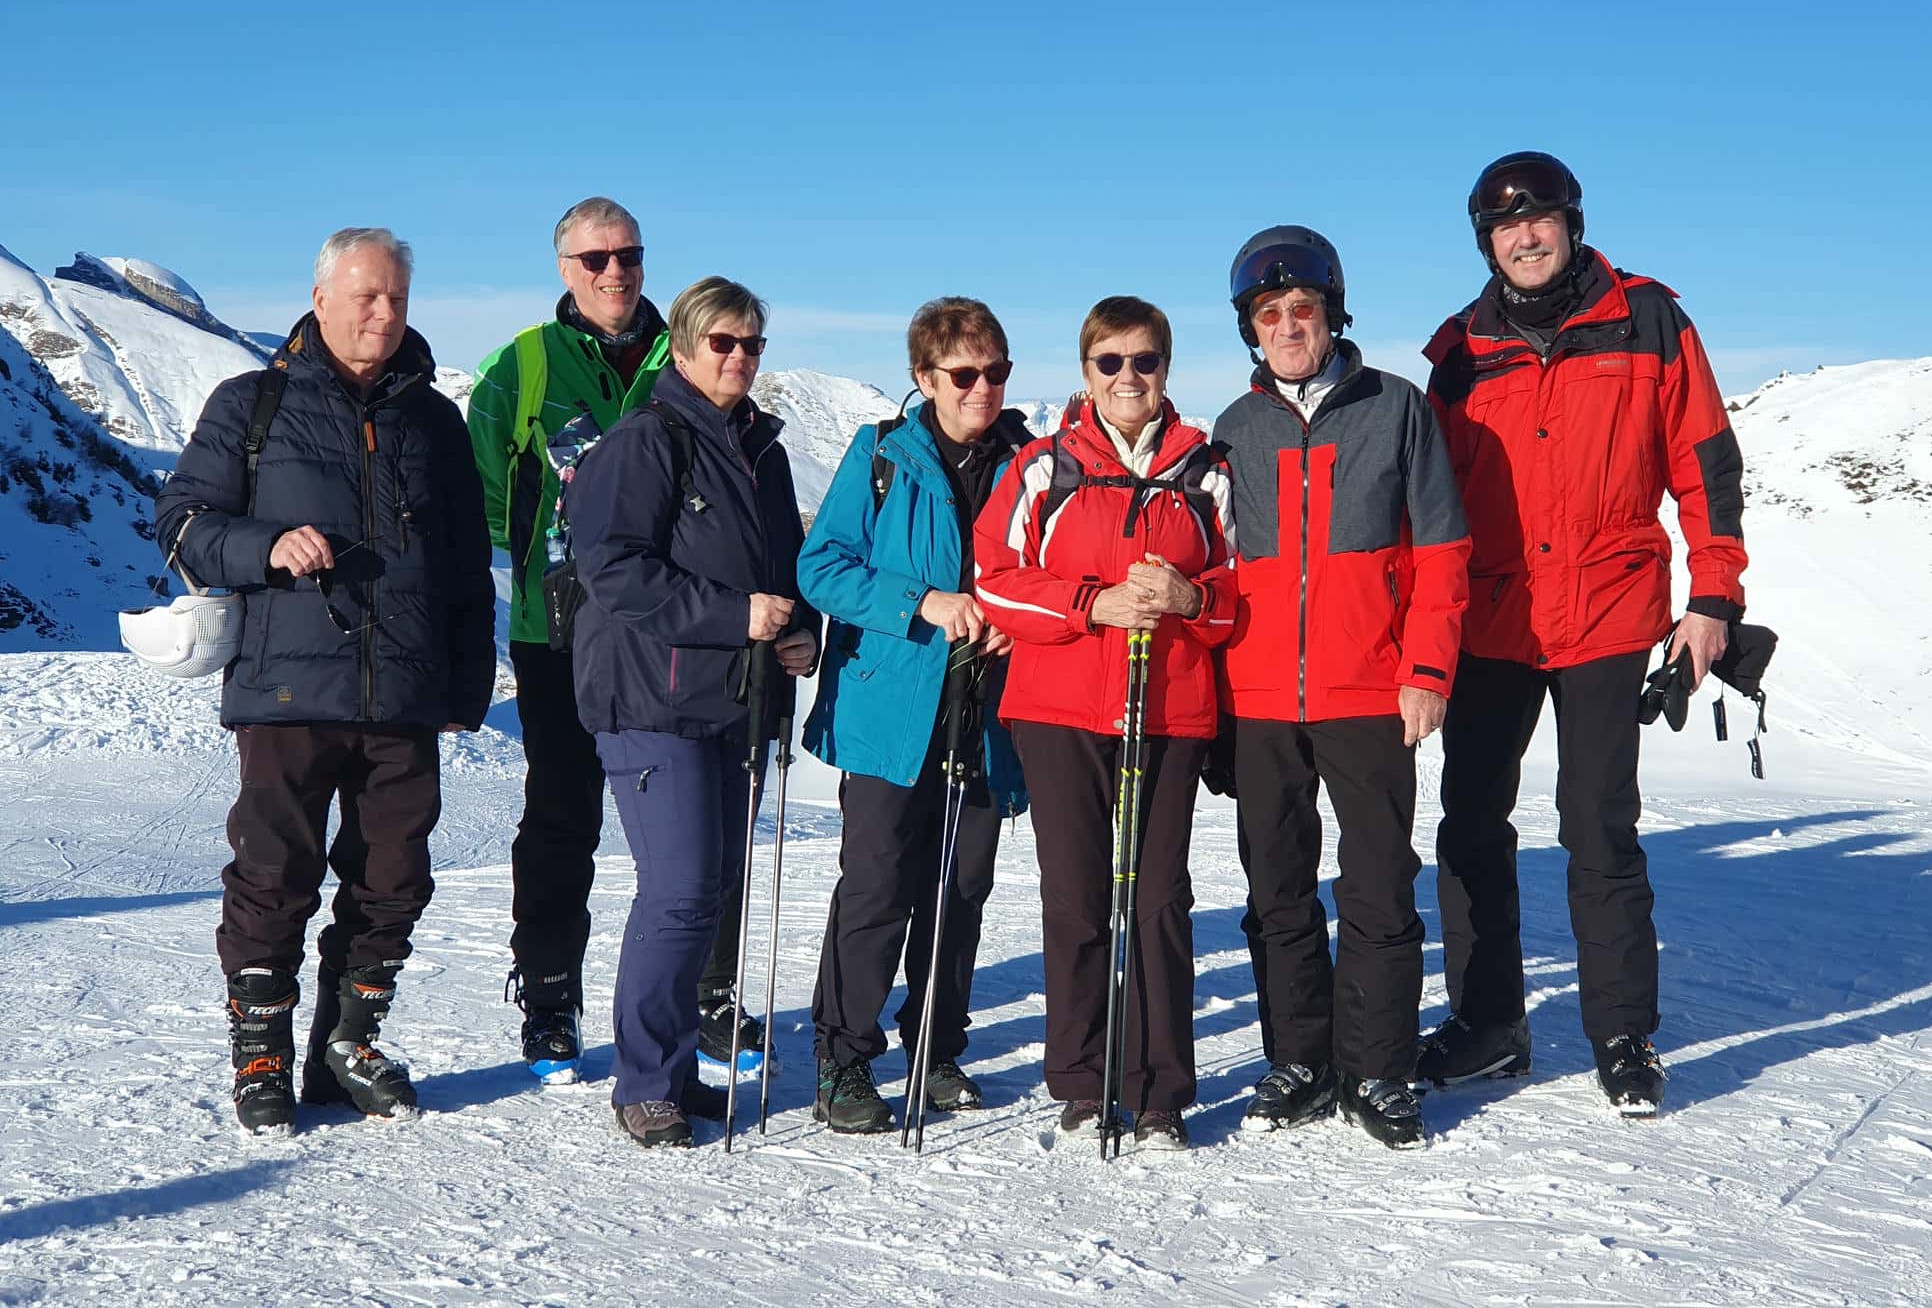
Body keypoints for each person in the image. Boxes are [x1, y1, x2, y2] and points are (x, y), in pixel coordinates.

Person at [1421, 152, 1749, 1114]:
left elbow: (1707, 462)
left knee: (1598, 827)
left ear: (1571, 221)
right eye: (1504, 228)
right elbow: (1426, 500)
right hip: (1493, 618)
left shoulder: (1647, 315)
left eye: (1541, 221)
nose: (1525, 239)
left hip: (1610, 609)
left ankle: (1622, 1034)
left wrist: (1714, 596)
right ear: (1486, 242)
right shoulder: (1459, 348)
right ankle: (1490, 1025)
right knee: (1471, 825)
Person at [156, 227, 495, 1135]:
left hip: (405, 695)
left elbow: (467, 565)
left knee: (395, 876)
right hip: (286, 692)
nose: (383, 313)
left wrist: (466, 688)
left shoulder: (435, 419)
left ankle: (349, 1041)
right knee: (275, 874)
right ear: (320, 300)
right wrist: (263, 545)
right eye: (365, 296)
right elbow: (182, 521)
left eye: (397, 298)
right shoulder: (251, 404)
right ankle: (260, 1053)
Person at [1214, 227, 1471, 1149]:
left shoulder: (1395, 408)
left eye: (1302, 309)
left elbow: (1443, 553)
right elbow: (1217, 567)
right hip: (1260, 700)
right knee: (1276, 888)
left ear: (1332, 313)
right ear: (1252, 327)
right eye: (1269, 313)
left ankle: (1380, 1068)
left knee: (1377, 886)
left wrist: (1429, 668)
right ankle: (1301, 1057)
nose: (1287, 325)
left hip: (1370, 691)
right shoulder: (1235, 430)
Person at [974, 296, 1235, 1152]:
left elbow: (1240, 598)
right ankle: (1084, 1078)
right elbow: (996, 581)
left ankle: (1161, 1087)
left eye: (1145, 360)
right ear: (1086, 373)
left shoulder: (1206, 470)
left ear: (1167, 368)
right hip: (1058, 710)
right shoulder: (1046, 468)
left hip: (1168, 710)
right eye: (1110, 362)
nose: (1129, 377)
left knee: (1157, 898)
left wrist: (1190, 598)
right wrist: (1097, 605)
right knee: (1077, 894)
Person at [567, 276, 819, 1148]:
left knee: (711, 893)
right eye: (723, 342)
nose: (740, 357)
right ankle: (643, 1083)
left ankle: (674, 1077)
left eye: (752, 344)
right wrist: (730, 617)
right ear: (681, 347)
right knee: (677, 893)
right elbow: (610, 567)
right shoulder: (644, 443)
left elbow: (789, 571)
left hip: (739, 701)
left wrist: (802, 634)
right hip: (652, 697)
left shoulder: (762, 450)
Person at [797, 297, 1031, 1134]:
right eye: (964, 374)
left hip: (989, 712)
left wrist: (1022, 620)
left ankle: (935, 1046)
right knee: (878, 884)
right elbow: (820, 568)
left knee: (962, 886)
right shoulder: (881, 457)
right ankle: (844, 1058)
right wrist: (920, 600)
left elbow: (1046, 577)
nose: (983, 389)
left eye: (996, 372)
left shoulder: (1031, 463)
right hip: (892, 709)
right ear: (924, 378)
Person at [468, 196, 689, 1084]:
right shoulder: (521, 366)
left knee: (691, 820)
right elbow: (480, 498)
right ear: (564, 268)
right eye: (595, 258)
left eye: (629, 254)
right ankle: (551, 997)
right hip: (557, 634)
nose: (615, 272)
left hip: (675, 630)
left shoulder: (692, 352)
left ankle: (697, 996)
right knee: (563, 817)